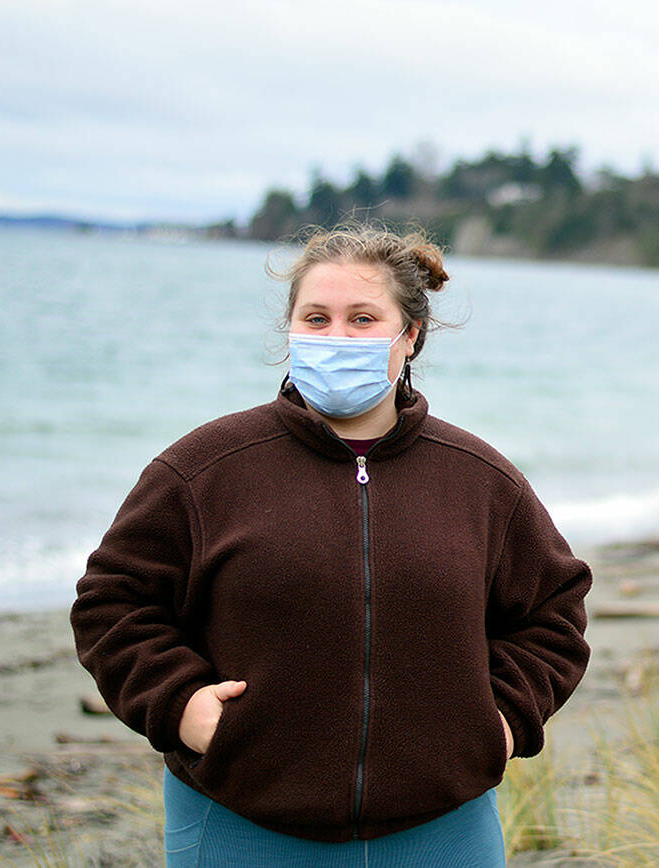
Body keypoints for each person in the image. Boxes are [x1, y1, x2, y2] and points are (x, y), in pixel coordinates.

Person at [70, 225, 592, 866]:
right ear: (289, 330)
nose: (335, 337)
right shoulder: (204, 470)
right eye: (315, 318)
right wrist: (180, 705)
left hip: (445, 830)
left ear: (411, 335)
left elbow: (554, 612)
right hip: (239, 823)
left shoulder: (481, 481)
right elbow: (112, 603)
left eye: (362, 319)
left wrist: (502, 721)